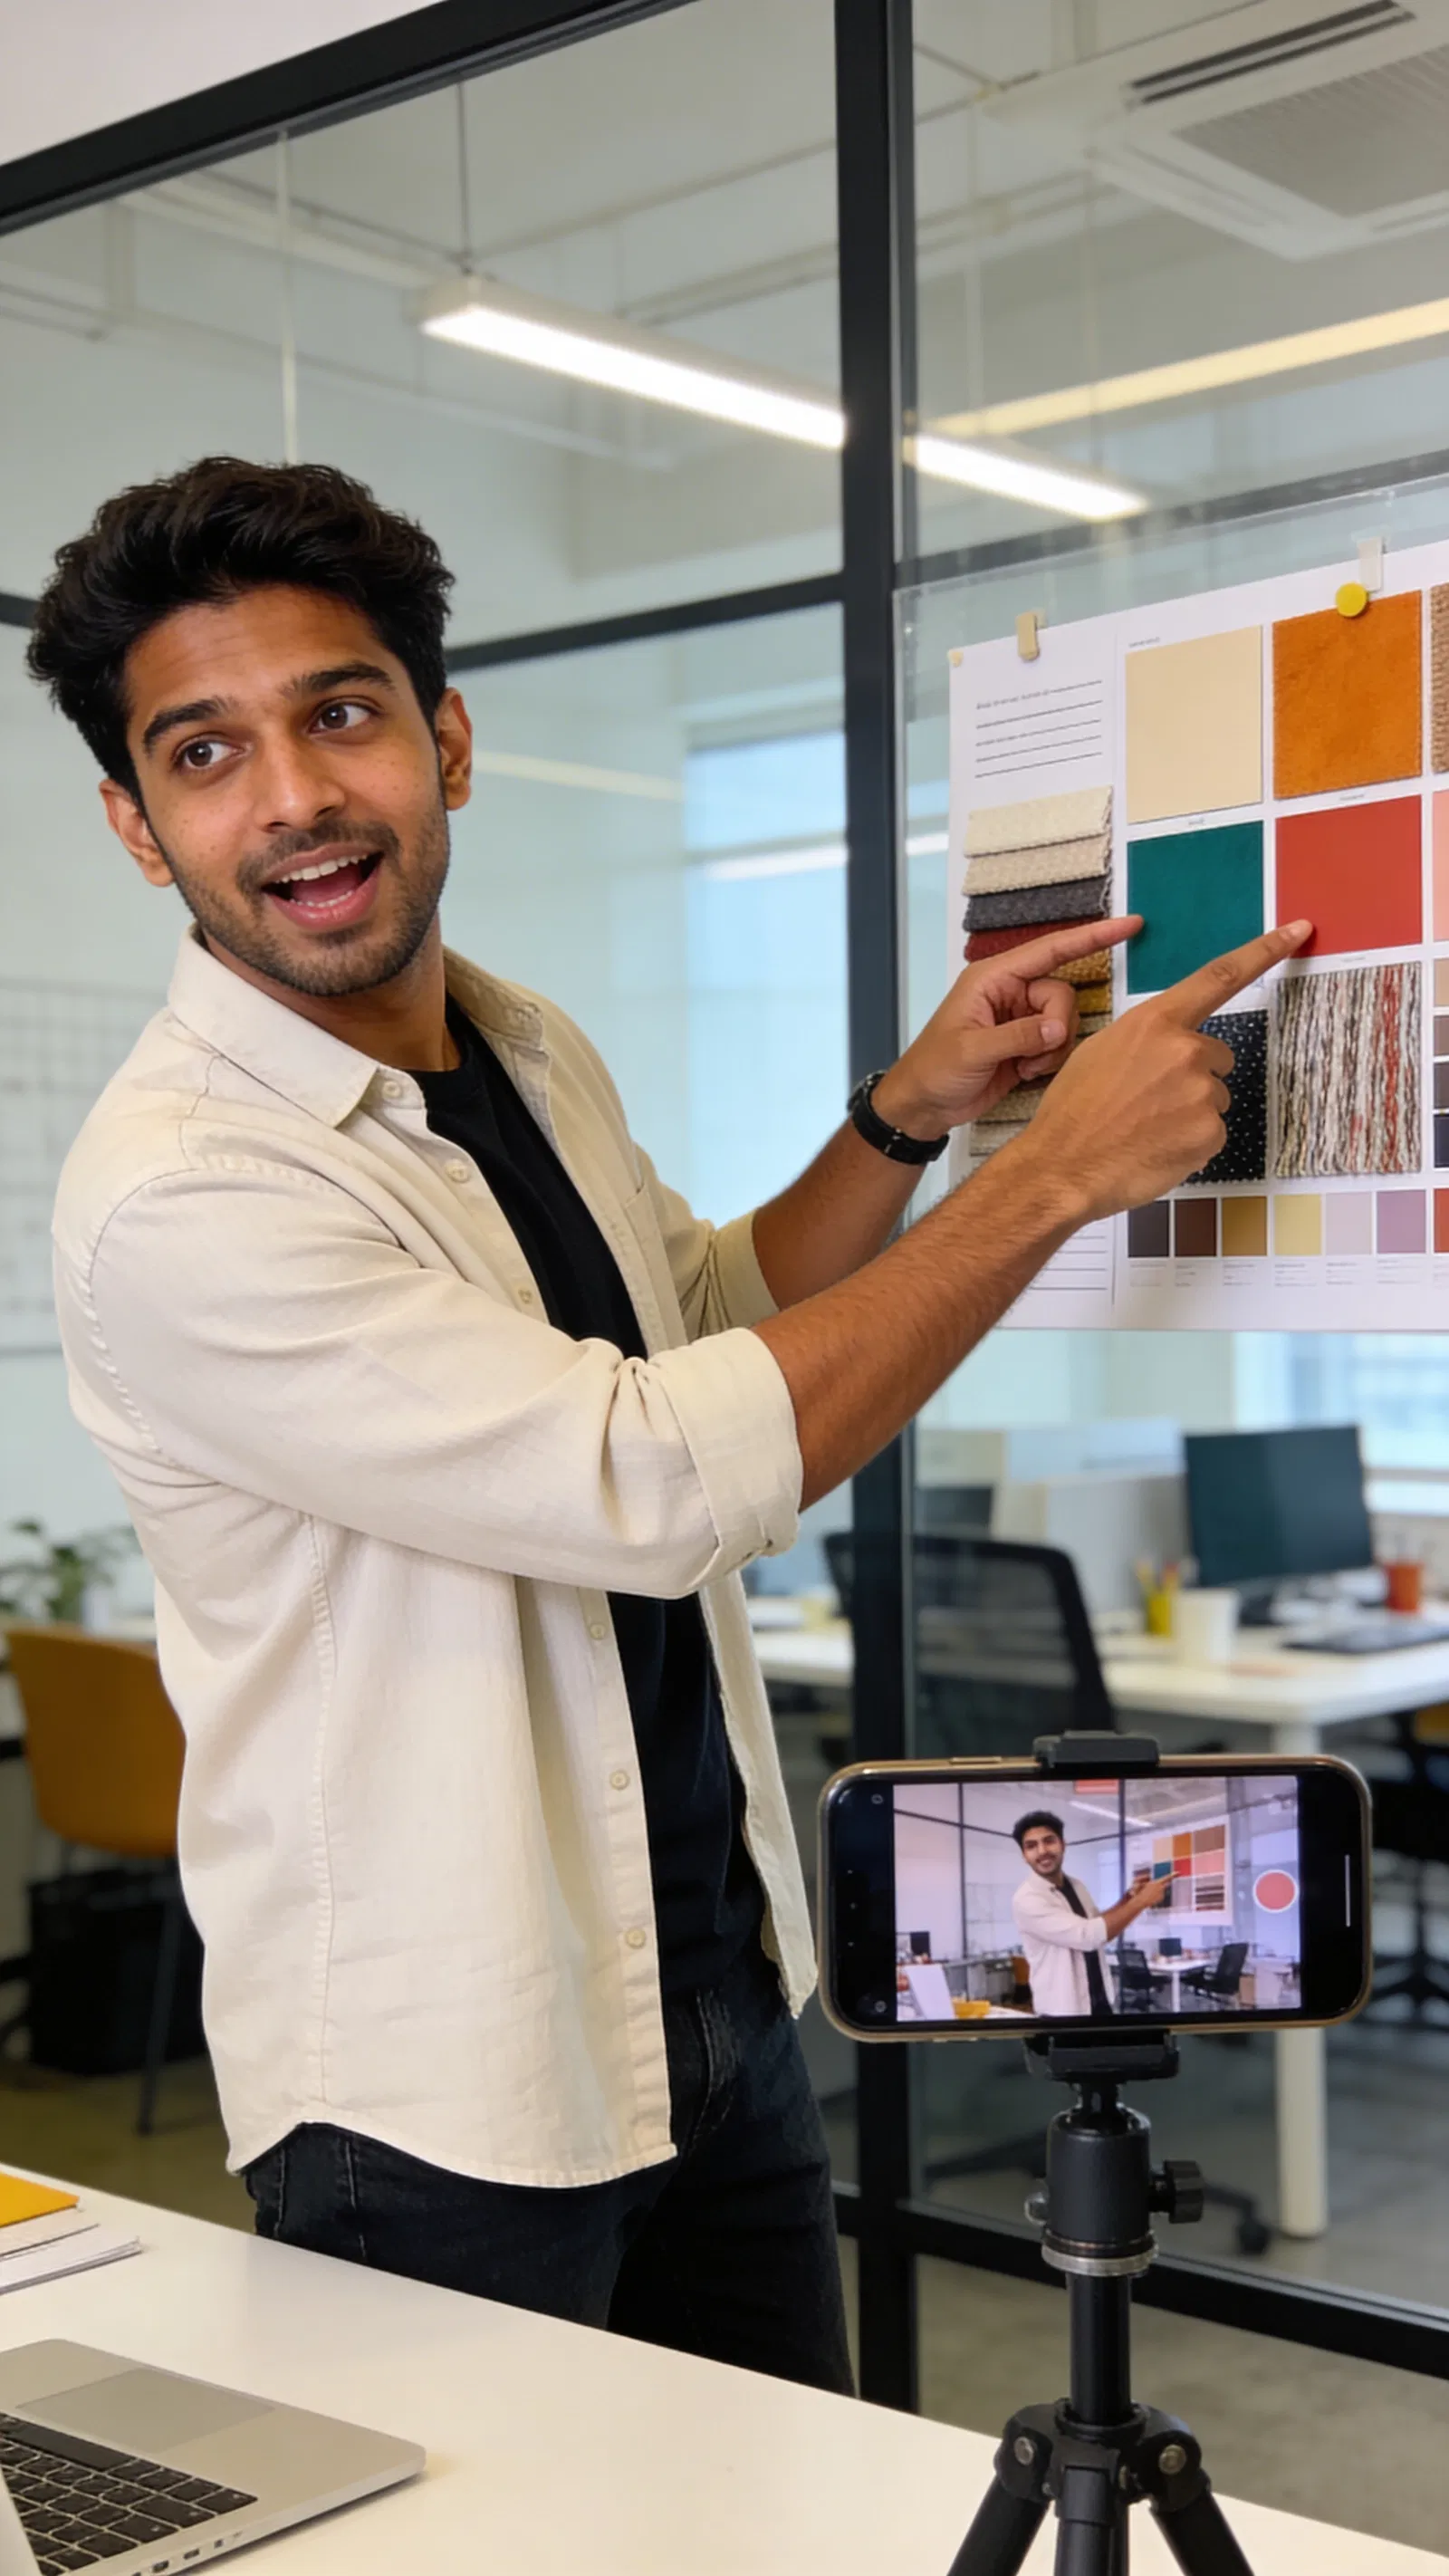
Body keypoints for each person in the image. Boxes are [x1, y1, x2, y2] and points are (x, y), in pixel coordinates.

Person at [28, 457, 1308, 2398]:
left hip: (699, 1987)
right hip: (439, 2080)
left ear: (444, 740)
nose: (289, 796)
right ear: (141, 829)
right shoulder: (183, 1193)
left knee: (769, 2522)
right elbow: (644, 1474)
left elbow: (689, 1318)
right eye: (205, 756)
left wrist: (905, 1118)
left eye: (339, 714)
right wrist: (1040, 1181)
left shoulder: (519, 1041)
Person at [1010, 1810, 1171, 2018]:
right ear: (1024, 1856)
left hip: (1099, 2000)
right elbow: (1088, 1936)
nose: (1042, 1851)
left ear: (1063, 1844)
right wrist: (1141, 1902)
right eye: (1031, 1846)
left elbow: (1096, 1923)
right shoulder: (1027, 1899)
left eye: (1049, 1841)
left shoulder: (1076, 1885)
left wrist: (1128, 1899)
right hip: (1062, 2012)